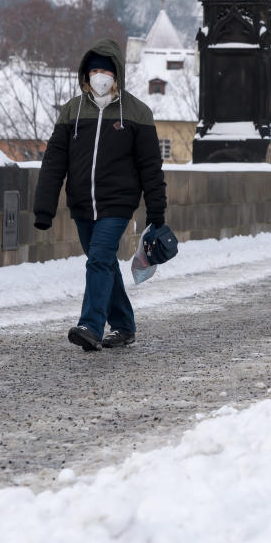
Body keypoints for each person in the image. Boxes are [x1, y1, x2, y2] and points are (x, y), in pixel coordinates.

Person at [34, 39, 168, 352]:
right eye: (94, 70)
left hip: (118, 204)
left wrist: (156, 212)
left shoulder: (137, 112)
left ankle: (90, 326)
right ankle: (123, 325)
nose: (99, 76)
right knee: (104, 263)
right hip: (82, 203)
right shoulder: (72, 111)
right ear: (85, 74)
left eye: (105, 70)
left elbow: (151, 167)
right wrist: (44, 207)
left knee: (98, 259)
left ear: (117, 74)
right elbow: (55, 160)